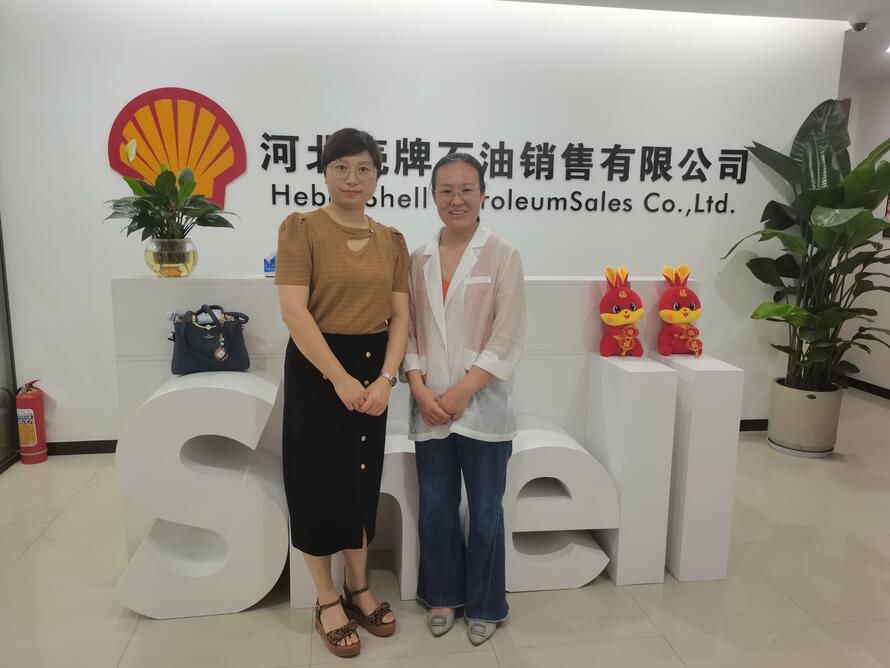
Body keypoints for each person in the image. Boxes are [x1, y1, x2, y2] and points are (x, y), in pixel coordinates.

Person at [275, 128, 408, 658]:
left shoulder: (392, 240)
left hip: (375, 370)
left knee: (360, 480)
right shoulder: (301, 229)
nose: (353, 178)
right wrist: (339, 377)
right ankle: (326, 597)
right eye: (341, 167)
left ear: (377, 177)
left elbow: (401, 317)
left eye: (364, 168)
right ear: (325, 173)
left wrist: (388, 378)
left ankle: (358, 586)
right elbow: (293, 311)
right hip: (317, 369)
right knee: (315, 482)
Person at [404, 153, 526, 645]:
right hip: (428, 403)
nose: (456, 199)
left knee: (485, 511)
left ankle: (486, 603)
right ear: (433, 196)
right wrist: (418, 387)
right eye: (446, 190)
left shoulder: (503, 254)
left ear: (482, 194)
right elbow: (408, 330)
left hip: (482, 405)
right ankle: (442, 596)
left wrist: (462, 391)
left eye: (467, 189)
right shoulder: (418, 258)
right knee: (435, 507)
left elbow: (507, 336)